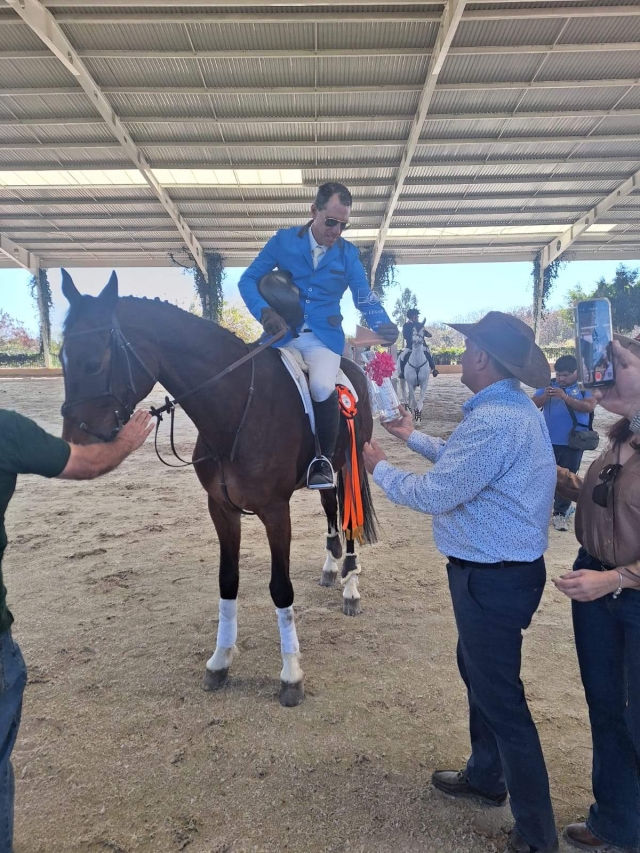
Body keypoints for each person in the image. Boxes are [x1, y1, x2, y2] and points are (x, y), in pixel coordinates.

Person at [363, 312, 559, 853]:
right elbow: (465, 468)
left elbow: (435, 494)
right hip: (498, 575)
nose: (464, 352)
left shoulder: (496, 420)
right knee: (477, 671)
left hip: (491, 579)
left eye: (469, 345)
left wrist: (379, 467)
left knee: (501, 700)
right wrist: (410, 436)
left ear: (480, 358)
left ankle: (537, 835)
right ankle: (486, 773)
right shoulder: (509, 409)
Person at [0, 408, 153, 853]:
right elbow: (87, 463)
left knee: (320, 381)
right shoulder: (6, 429)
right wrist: (124, 443)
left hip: (308, 343)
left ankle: (319, 458)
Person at [238, 181, 398, 489]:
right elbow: (249, 279)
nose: (337, 231)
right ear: (314, 211)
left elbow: (363, 296)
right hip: (280, 333)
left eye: (344, 225)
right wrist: (264, 312)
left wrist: (383, 323)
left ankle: (322, 460)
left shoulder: (348, 255)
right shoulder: (283, 241)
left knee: (323, 386)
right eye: (332, 222)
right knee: (249, 377)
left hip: (322, 340)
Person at [553, 334, 640, 853]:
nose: (607, 370)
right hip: (597, 592)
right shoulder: (616, 441)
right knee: (605, 708)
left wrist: (615, 579)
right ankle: (616, 821)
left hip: (626, 593)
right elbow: (610, 506)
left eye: (623, 362)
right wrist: (567, 482)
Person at [533, 355, 596, 531]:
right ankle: (543, 511)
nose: (561, 378)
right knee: (545, 476)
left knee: (567, 477)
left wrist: (565, 397)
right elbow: (531, 404)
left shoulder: (585, 387)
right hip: (547, 441)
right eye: (559, 374)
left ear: (576, 372)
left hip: (573, 442)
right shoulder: (548, 385)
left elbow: (589, 406)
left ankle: (560, 513)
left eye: (566, 375)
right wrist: (544, 396)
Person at [399, 308, 438, 377]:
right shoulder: (406, 325)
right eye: (417, 315)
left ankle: (433, 369)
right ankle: (402, 372)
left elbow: (424, 332)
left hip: (421, 345)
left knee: (429, 354)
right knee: (403, 356)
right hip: (410, 346)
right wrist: (413, 340)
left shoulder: (419, 325)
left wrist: (427, 334)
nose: (418, 317)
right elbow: (405, 336)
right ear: (413, 316)